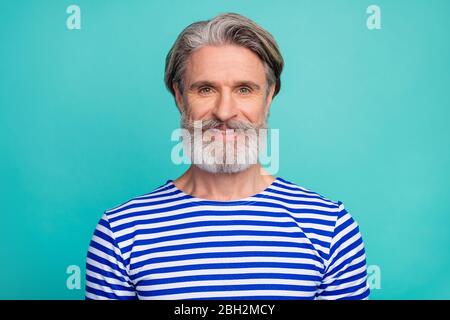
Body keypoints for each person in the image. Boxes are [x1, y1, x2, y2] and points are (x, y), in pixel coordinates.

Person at [85, 12, 370, 300]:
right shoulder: (120, 233)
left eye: (244, 89)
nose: (224, 112)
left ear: (269, 96)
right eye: (206, 89)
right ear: (180, 98)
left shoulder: (330, 228)